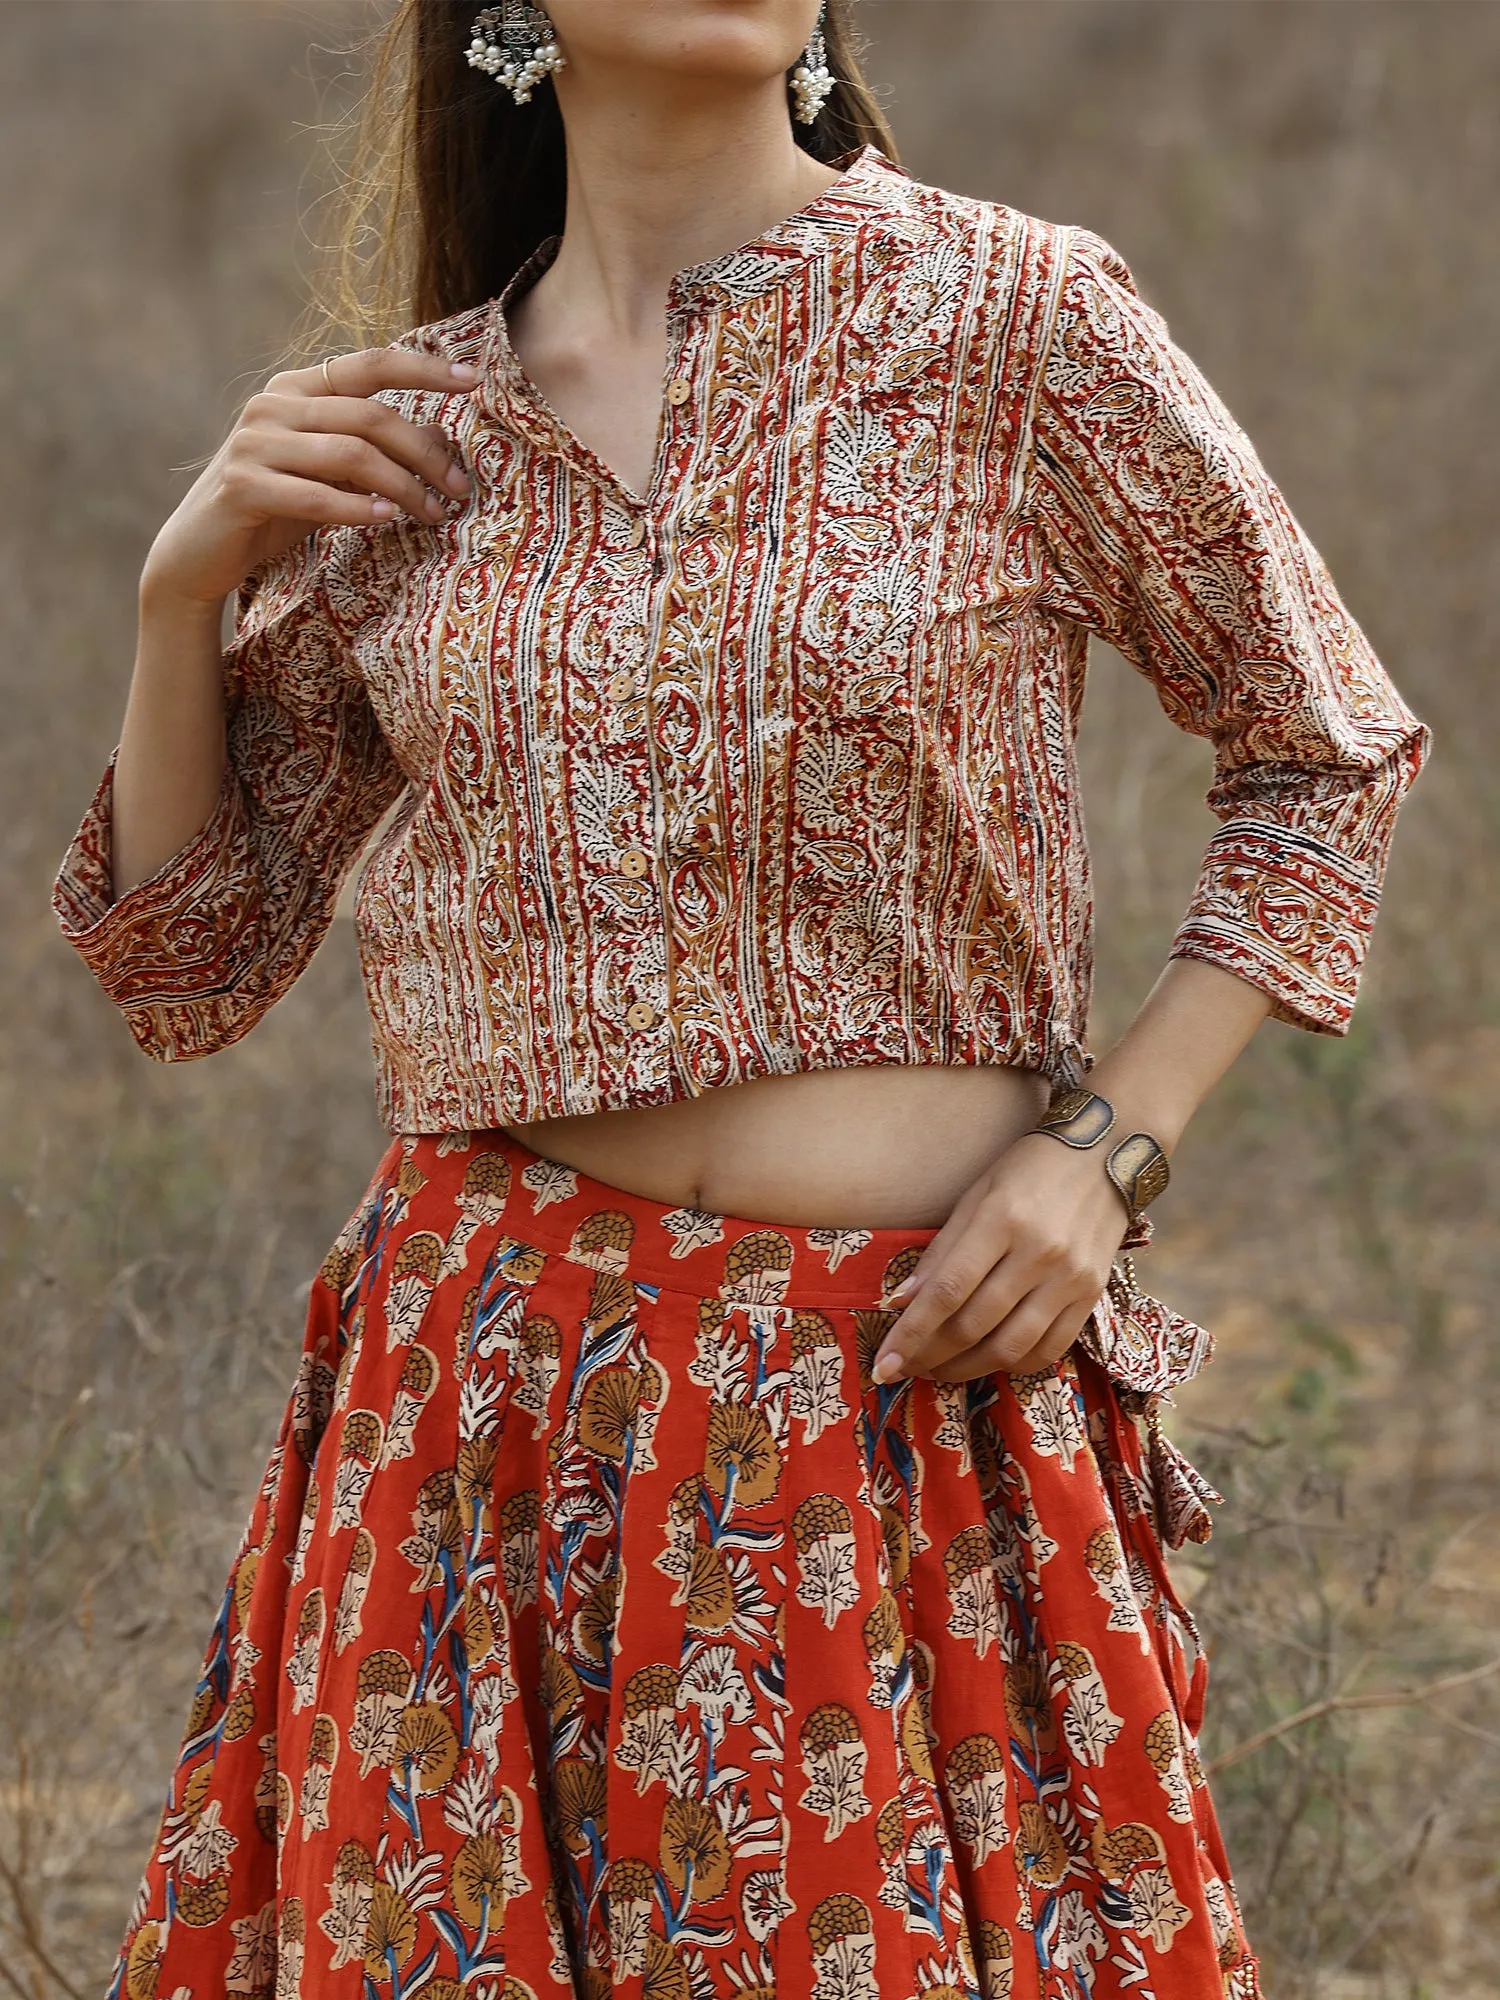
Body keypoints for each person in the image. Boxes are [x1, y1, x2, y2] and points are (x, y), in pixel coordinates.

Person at [53, 3, 1430, 1996]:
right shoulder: (407, 431)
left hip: (897, 1403)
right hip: (483, 1435)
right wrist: (182, 596)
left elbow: (1325, 751)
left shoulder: (1016, 320)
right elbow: (185, 965)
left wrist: (1107, 1154)